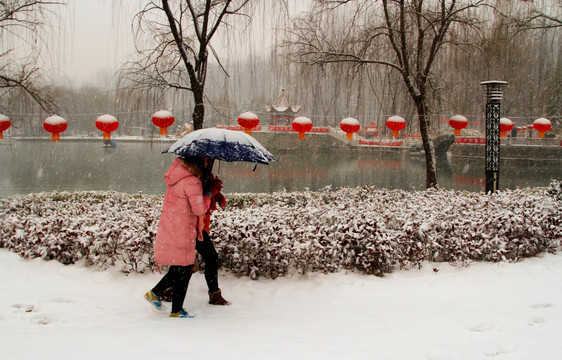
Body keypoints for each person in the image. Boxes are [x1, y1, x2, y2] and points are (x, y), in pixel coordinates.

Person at [144, 156, 210, 318]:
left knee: (180, 267)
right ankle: (176, 310)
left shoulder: (176, 177)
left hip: (171, 227)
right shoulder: (192, 181)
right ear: (197, 165)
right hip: (183, 231)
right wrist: (207, 195)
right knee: (185, 268)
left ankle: (156, 293)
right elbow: (199, 209)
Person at [159, 157, 230, 306]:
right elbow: (197, 201)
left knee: (182, 262)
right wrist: (212, 191)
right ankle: (213, 293)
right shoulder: (192, 176)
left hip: (191, 223)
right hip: (191, 225)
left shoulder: (188, 172)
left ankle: (166, 291)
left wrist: (215, 194)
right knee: (206, 258)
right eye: (207, 160)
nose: (209, 162)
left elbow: (199, 194)